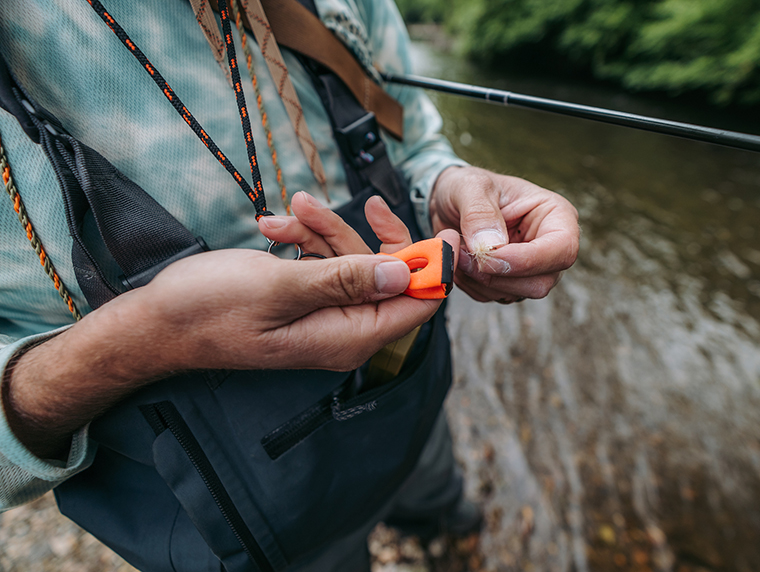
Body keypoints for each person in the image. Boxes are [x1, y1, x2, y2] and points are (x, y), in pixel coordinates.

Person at [0, 0, 579, 569]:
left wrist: (448, 187)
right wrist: (143, 340)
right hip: (253, 514)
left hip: (410, 382)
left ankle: (447, 527)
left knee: (434, 485)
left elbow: (412, 137)